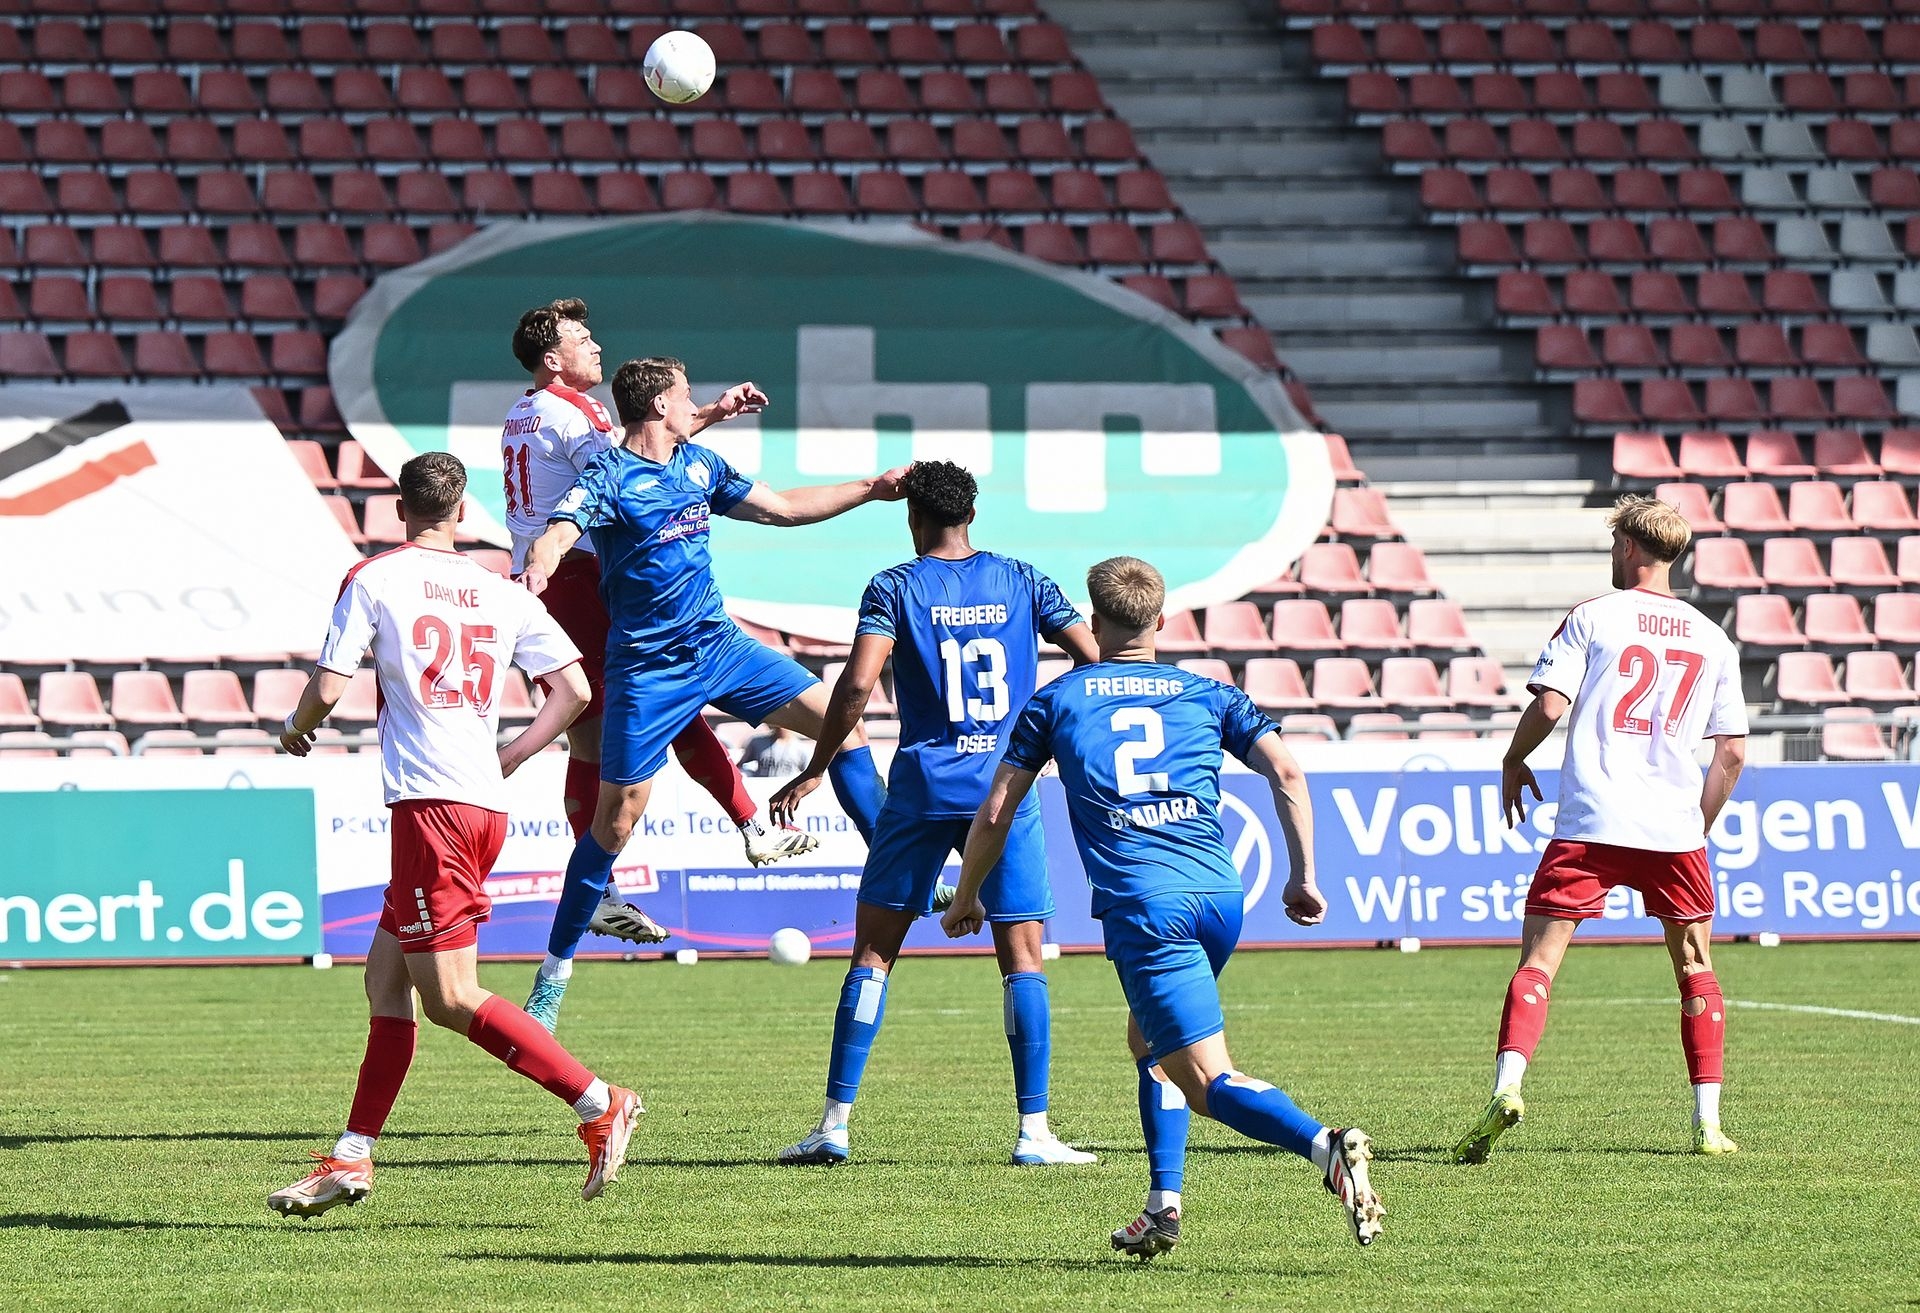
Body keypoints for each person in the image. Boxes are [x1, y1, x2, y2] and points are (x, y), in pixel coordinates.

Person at [943, 556, 1384, 1260]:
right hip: (1219, 896)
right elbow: (1288, 770)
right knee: (1148, 1044)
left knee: (1206, 1078)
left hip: (1148, 907)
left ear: (1093, 622)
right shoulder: (1209, 694)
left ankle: (1324, 1144)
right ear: (1161, 620)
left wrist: (968, 894)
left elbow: (998, 807)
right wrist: (1303, 875)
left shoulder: (1058, 700)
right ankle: (1162, 1206)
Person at [266, 452, 639, 1219]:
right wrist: (512, 753)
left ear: (398, 505)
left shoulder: (375, 577)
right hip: (477, 803)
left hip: (432, 808)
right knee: (385, 978)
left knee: (451, 997)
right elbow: (574, 688)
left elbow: (329, 687)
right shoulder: (499, 590)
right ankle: (351, 1155)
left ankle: (599, 1101)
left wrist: (296, 727)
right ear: (463, 511)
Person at [517, 355, 899, 1032]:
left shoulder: (699, 464)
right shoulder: (608, 476)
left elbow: (783, 508)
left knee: (844, 721)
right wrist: (539, 567)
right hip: (648, 669)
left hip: (722, 647)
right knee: (616, 821)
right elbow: (558, 532)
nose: (695, 405)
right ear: (661, 405)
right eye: (687, 396)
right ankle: (553, 976)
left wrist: (872, 488)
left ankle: (900, 869)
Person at [767, 461, 1101, 1169]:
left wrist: (818, 765)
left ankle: (834, 1125)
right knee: (1022, 960)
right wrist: (1047, 734)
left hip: (920, 789)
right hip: (1004, 789)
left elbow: (856, 686)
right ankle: (1034, 1131)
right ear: (971, 512)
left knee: (873, 956)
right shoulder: (1024, 579)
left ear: (912, 517)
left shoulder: (894, 585)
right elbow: (1092, 657)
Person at [502, 299, 817, 953]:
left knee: (593, 737)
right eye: (582, 338)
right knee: (665, 692)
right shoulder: (577, 413)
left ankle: (607, 887)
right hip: (575, 576)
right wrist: (708, 416)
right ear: (553, 359)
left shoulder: (522, 412)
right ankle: (750, 824)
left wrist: (713, 412)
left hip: (546, 579)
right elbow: (641, 455)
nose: (595, 345)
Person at [1452, 494, 1748, 1163]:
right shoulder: (1713, 637)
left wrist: (1514, 758)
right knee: (1696, 968)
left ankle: (1507, 1087)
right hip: (1673, 829)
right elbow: (1731, 752)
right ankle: (1707, 1123)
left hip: (1592, 819)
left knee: (1539, 961)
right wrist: (1694, 825)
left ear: (1630, 547)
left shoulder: (1593, 616)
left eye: (1615, 543)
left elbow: (1550, 705)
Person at [741, 724, 812, 779]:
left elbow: (809, 774)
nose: (781, 727)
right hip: (762, 786)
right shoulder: (757, 742)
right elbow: (740, 766)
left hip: (785, 789)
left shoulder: (802, 748)